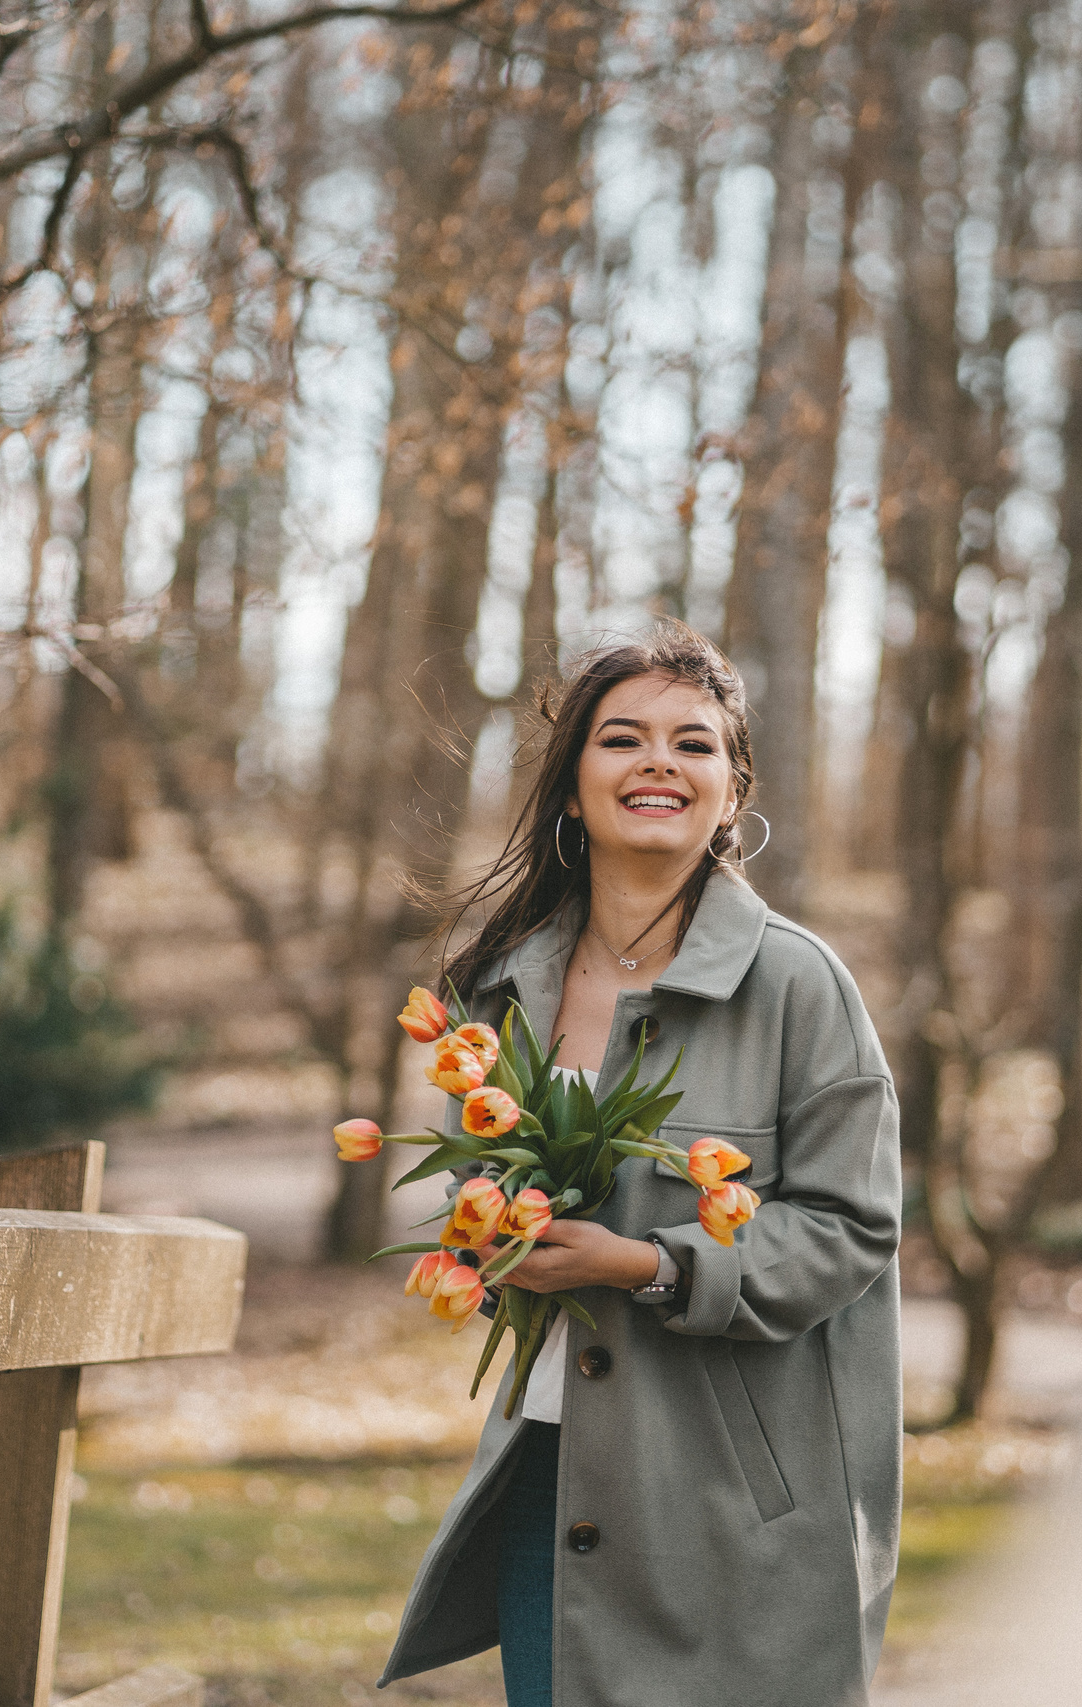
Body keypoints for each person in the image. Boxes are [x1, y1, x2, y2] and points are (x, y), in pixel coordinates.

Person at [376, 624, 904, 1706]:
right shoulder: (496, 991)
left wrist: (645, 1263)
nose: (659, 761)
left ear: (730, 790)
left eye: (694, 744)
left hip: (736, 1507)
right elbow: (477, 1202)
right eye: (623, 738)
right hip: (554, 1482)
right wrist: (484, 1247)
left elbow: (851, 1229)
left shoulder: (800, 987)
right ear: (573, 788)